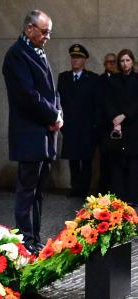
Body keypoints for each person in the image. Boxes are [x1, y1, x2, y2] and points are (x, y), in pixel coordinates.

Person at [2, 10, 63, 254]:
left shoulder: (38, 51)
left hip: (44, 134)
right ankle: (25, 240)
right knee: (27, 190)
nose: (48, 37)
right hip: (29, 134)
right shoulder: (17, 55)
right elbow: (27, 95)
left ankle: (35, 238)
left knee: (38, 191)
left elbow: (50, 90)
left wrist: (58, 114)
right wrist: (52, 115)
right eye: (45, 32)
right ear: (30, 29)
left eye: (49, 32)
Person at [57, 44, 99, 198]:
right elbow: (59, 102)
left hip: (87, 127)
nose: (75, 60)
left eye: (79, 58)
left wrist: (94, 125)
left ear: (84, 60)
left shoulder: (93, 78)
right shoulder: (64, 78)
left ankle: (84, 190)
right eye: (73, 57)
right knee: (73, 160)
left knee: (86, 161)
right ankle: (75, 187)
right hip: (70, 126)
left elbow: (97, 104)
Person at [104, 49, 138, 206]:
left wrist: (124, 115)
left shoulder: (137, 79)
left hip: (133, 126)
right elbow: (108, 101)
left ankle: (132, 198)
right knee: (117, 163)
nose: (125, 64)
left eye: (128, 60)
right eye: (122, 61)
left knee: (133, 164)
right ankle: (118, 199)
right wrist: (116, 121)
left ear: (132, 61)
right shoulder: (113, 80)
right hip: (116, 128)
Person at [97, 53, 118, 194]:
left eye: (113, 62)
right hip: (104, 126)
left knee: (118, 159)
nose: (110, 64)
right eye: (108, 62)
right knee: (104, 160)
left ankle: (116, 188)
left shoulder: (121, 79)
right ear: (104, 64)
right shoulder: (99, 80)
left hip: (119, 125)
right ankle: (104, 190)